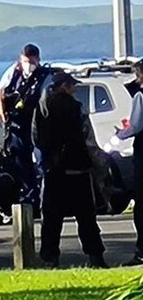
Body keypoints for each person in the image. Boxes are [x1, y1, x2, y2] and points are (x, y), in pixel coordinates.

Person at [32, 72, 108, 268]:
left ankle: (50, 257)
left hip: (54, 170)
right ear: (64, 86)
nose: (74, 89)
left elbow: (36, 138)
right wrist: (97, 166)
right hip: (77, 168)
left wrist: (49, 157)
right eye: (72, 85)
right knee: (86, 217)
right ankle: (95, 256)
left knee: (51, 218)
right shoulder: (76, 108)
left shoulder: (42, 108)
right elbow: (87, 137)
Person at [0, 43, 51, 217]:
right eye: (25, 60)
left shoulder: (45, 76)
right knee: (20, 162)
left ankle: (44, 201)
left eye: (31, 60)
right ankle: (29, 199)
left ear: (38, 59)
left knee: (42, 163)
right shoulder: (14, 71)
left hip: (38, 125)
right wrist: (1, 111)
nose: (28, 63)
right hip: (18, 124)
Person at [113, 59, 143, 266]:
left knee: (141, 205)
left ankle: (141, 251)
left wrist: (121, 134)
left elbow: (136, 126)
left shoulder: (140, 96)